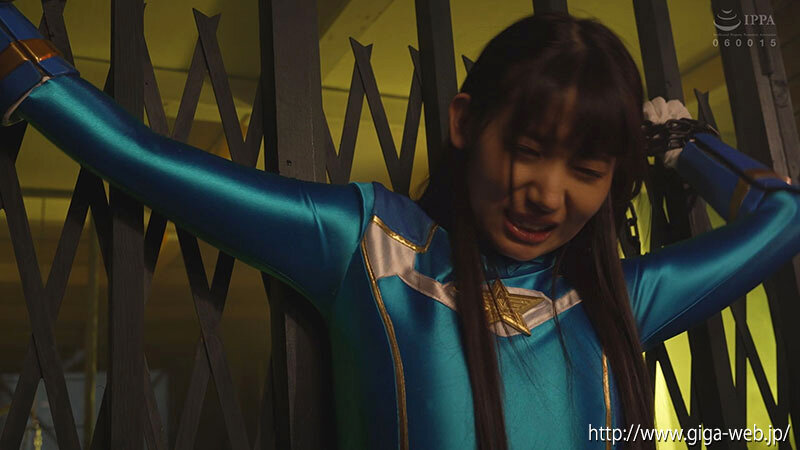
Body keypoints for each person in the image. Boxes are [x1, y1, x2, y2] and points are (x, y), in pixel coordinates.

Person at [1, 3, 798, 449]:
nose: (548, 195)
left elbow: (784, 214)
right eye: (527, 151)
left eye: (587, 170)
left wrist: (685, 144)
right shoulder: (373, 246)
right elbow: (143, 158)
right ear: (465, 123)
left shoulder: (619, 300)